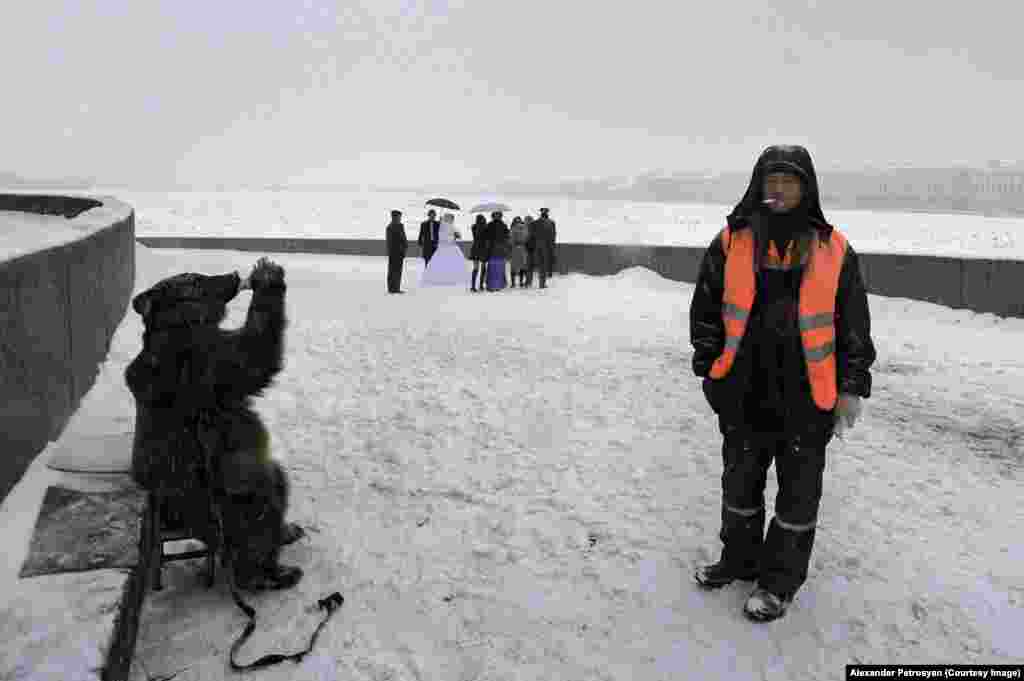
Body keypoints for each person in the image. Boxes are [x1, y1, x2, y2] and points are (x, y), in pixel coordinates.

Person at [689, 145, 876, 622]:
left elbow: (854, 322)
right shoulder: (732, 241)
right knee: (740, 485)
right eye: (771, 179)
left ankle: (779, 582)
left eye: (789, 180)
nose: (778, 188)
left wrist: (851, 385)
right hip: (743, 391)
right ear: (758, 184)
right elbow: (706, 309)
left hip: (807, 397)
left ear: (806, 188)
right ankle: (739, 560)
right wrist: (710, 369)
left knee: (797, 497)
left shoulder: (833, 247)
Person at [420, 213, 470, 287]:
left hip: (449, 247)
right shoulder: (443, 227)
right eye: (451, 218)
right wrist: (453, 237)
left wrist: (456, 236)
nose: (452, 220)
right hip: (446, 247)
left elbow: (457, 235)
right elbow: (442, 238)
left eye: (452, 219)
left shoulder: (451, 226)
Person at [484, 211, 510, 291]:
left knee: (493, 268)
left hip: (493, 249)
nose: (496, 217)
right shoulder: (504, 225)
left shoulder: (489, 225)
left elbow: (486, 238)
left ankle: (492, 286)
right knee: (499, 268)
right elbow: (507, 237)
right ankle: (499, 285)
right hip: (500, 249)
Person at [529, 210, 555, 289]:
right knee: (543, 265)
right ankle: (542, 284)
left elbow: (531, 234)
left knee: (531, 264)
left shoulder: (534, 223)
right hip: (546, 246)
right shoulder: (551, 223)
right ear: (547, 214)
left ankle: (529, 282)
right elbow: (553, 236)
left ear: (541, 214)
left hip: (536, 246)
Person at [386, 209, 408, 294]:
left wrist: (405, 247)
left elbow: (403, 237)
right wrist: (392, 252)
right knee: (392, 271)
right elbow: (390, 242)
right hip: (394, 252)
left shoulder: (400, 226)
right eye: (398, 217)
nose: (399, 218)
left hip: (401, 252)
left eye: (400, 217)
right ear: (393, 217)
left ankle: (396, 288)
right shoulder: (390, 227)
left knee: (398, 271)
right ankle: (392, 288)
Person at [508, 216, 529, 288]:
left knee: (513, 266)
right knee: (523, 266)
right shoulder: (525, 228)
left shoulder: (512, 229)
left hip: (514, 249)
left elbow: (510, 240)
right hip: (523, 249)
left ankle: (513, 283)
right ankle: (521, 282)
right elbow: (527, 238)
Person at [469, 214, 489, 292]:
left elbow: (475, 236)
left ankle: (473, 286)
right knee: (482, 268)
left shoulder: (474, 227)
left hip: (475, 248)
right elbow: (486, 237)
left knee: (476, 268)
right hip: (482, 249)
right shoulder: (485, 227)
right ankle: (480, 285)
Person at [539, 207, 557, 277]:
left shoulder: (539, 221)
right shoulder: (551, 222)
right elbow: (554, 233)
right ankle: (549, 272)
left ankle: (545, 272)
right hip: (549, 242)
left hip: (543, 242)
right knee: (549, 258)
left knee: (543, 258)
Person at [522, 215, 536, 288]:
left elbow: (527, 239)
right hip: (528, 249)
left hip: (529, 249)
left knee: (528, 266)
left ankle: (528, 281)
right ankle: (528, 281)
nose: (526, 222)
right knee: (528, 266)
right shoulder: (527, 228)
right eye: (526, 220)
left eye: (527, 220)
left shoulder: (530, 229)